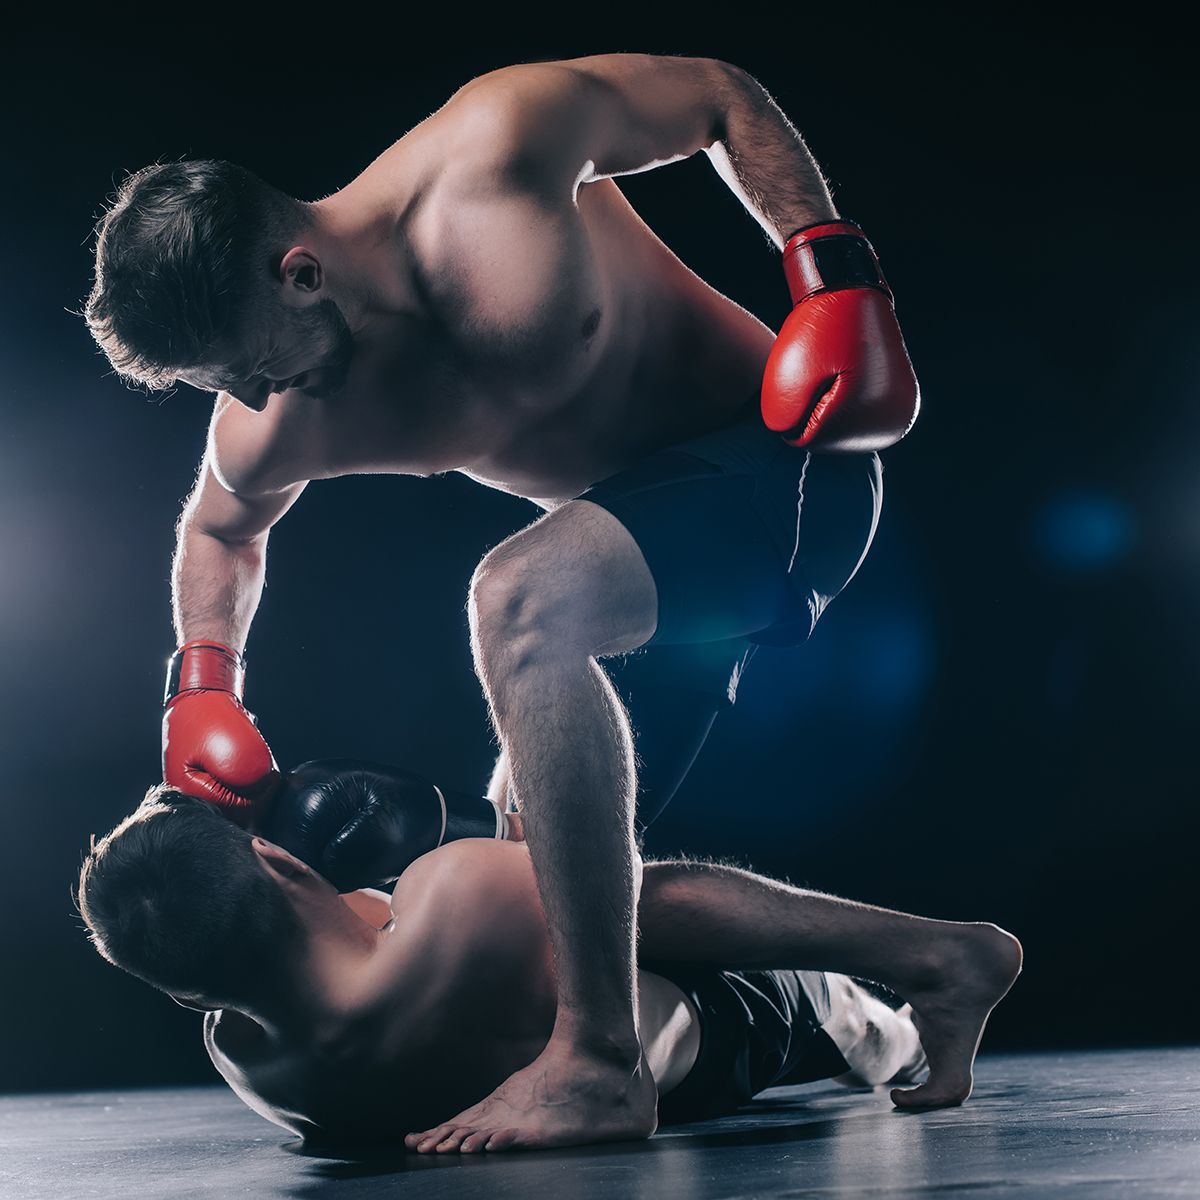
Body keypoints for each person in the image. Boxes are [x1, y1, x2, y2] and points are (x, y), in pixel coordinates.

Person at [84, 52, 920, 1149]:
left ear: (299, 273)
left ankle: (600, 1064)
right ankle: (915, 1001)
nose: (249, 401)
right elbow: (219, 527)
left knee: (517, 599)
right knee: (547, 894)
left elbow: (720, 95)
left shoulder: (497, 145)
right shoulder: (287, 417)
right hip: (642, 584)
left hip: (784, 476)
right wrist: (200, 676)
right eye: (222, 388)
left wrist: (833, 275)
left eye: (248, 367)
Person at [75, 762, 1021, 1151]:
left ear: (183, 993)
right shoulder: (451, 899)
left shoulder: (245, 1059)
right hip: (726, 1025)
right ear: (279, 858)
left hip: (665, 1061)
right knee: (860, 1030)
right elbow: (586, 875)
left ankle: (910, 1007)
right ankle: (933, 969)